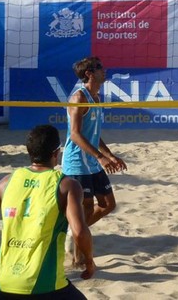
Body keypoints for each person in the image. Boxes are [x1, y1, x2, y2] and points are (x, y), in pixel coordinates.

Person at [0, 125, 94, 299]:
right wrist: (89, 260)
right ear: (57, 152)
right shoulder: (67, 185)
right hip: (42, 283)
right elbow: (79, 232)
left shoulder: (6, 182)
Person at [62, 57, 127, 264]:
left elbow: (94, 134)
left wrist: (110, 155)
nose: (104, 70)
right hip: (77, 162)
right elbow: (75, 135)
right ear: (89, 73)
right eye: (100, 68)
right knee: (86, 208)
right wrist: (100, 158)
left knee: (108, 204)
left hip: (91, 161)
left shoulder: (97, 98)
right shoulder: (79, 97)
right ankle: (77, 255)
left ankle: (74, 234)